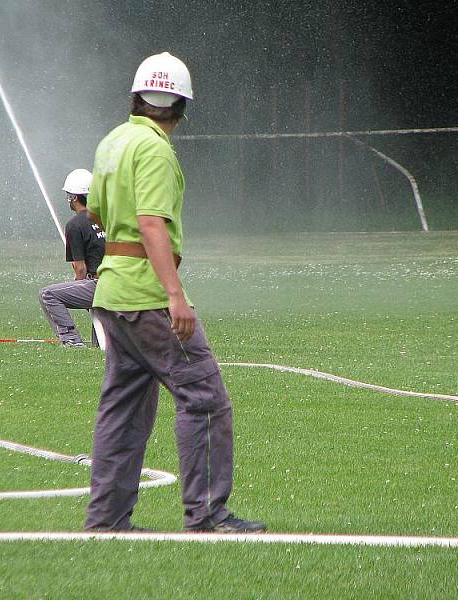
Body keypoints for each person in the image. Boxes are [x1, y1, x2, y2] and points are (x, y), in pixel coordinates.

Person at [84, 52, 266, 533]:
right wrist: (175, 294)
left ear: (137, 97)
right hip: (147, 294)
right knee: (204, 398)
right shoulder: (157, 149)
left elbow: (96, 215)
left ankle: (106, 520)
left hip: (111, 291)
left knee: (122, 410)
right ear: (181, 105)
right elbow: (150, 222)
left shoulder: (112, 142)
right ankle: (207, 515)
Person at [38, 168, 106, 348]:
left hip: (100, 285)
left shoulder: (74, 225)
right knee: (100, 345)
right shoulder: (107, 217)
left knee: (48, 294)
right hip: (123, 284)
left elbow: (80, 269)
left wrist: (79, 285)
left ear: (74, 197)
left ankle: (72, 341)